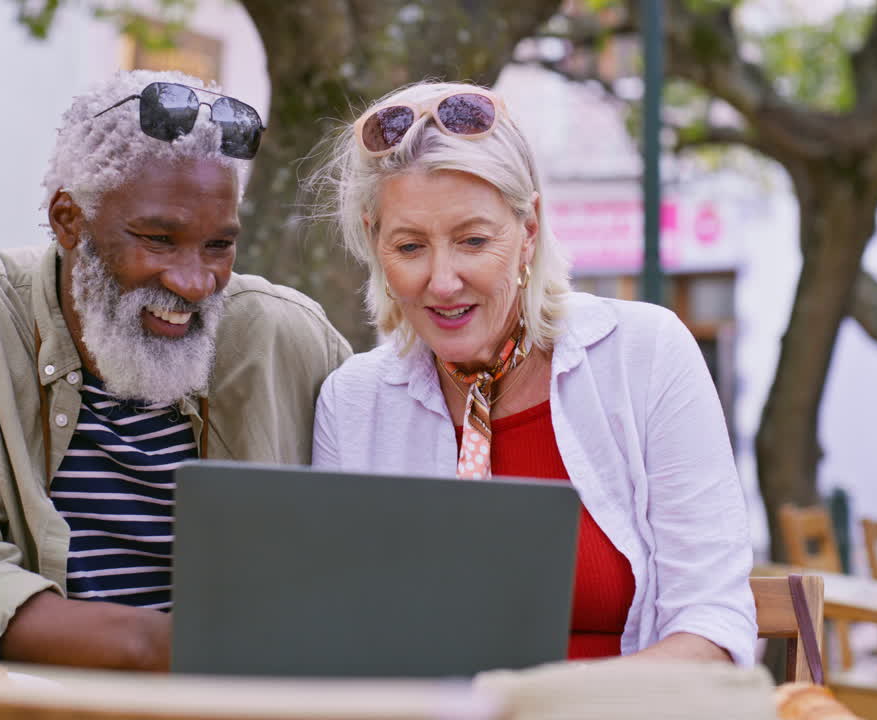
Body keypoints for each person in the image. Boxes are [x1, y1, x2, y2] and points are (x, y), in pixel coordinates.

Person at [0, 70, 351, 670]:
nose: (194, 281)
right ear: (69, 220)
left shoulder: (290, 338)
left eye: (219, 246)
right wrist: (179, 650)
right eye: (159, 239)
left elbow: (368, 552)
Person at [311, 81, 756, 666]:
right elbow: (341, 634)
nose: (442, 281)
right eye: (410, 246)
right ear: (374, 242)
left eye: (473, 240)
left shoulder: (646, 354)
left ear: (528, 232)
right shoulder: (354, 401)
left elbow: (714, 621)